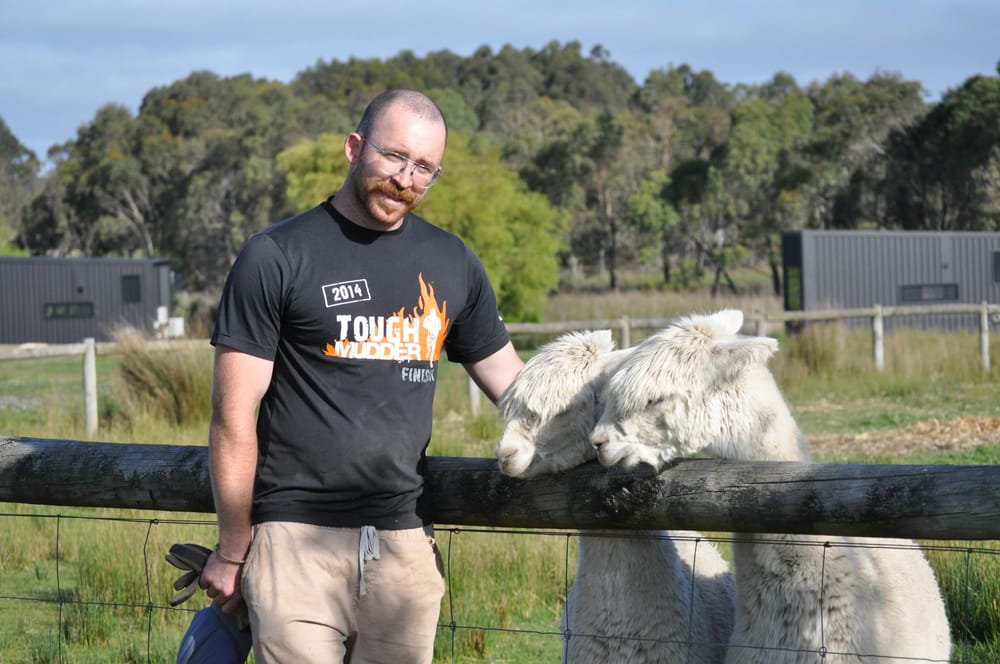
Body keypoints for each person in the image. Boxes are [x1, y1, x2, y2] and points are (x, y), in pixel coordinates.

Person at [198, 88, 524, 663]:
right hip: (294, 543)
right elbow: (232, 417)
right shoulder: (276, 255)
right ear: (355, 147)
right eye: (393, 157)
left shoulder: (452, 262)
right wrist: (232, 548)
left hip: (403, 548)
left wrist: (605, 419)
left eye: (424, 167)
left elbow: (516, 386)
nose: (405, 178)